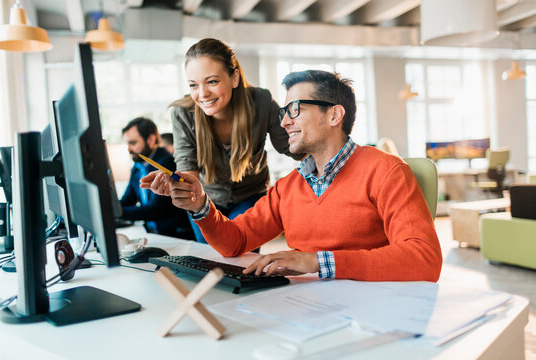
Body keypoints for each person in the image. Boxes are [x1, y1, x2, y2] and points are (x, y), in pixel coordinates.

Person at [143, 70, 443, 282]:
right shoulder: (289, 187)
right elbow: (235, 241)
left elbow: (424, 258)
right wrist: (200, 205)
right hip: (307, 308)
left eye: (295, 109)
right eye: (284, 111)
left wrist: (316, 261)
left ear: (334, 115)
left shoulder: (386, 170)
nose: (284, 121)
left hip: (373, 310)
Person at [146, 38, 302, 244]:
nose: (202, 94)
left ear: (234, 77)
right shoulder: (183, 113)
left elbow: (293, 147)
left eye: (212, 81)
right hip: (206, 200)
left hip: (250, 195)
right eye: (194, 85)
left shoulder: (261, 102)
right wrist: (177, 185)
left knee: (243, 259)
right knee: (212, 259)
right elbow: (188, 170)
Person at [120, 117, 193, 239]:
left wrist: (116, 213)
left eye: (133, 143)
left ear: (151, 140)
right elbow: (128, 200)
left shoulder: (167, 163)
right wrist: (109, 208)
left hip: (175, 236)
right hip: (154, 234)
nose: (129, 149)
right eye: (127, 143)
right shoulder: (138, 166)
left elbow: (155, 210)